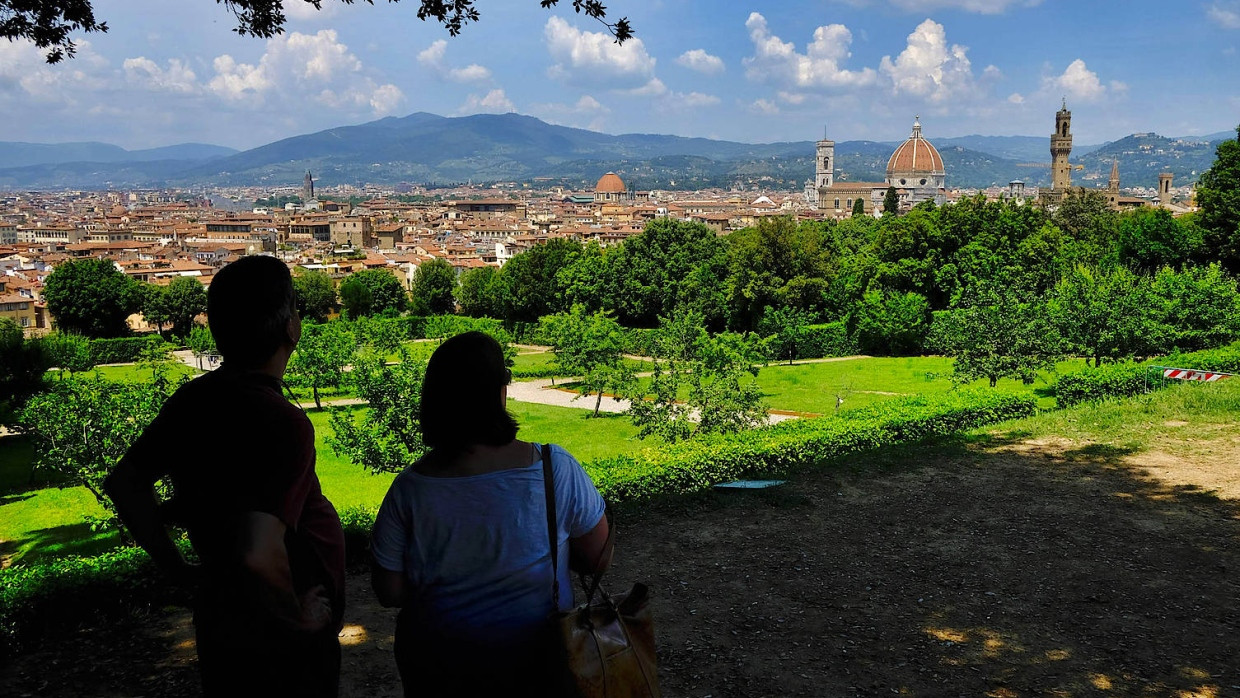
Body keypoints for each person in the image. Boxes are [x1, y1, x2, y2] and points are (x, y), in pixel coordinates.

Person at [104, 256, 346, 697]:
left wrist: (178, 570)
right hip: (281, 643)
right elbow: (259, 551)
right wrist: (297, 616)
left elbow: (125, 482)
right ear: (290, 327)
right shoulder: (280, 420)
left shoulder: (192, 401)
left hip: (222, 619)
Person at [371, 331, 612, 697]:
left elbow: (389, 591)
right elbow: (598, 558)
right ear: (501, 392)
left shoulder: (410, 488)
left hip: (440, 670)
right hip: (539, 664)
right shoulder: (554, 468)